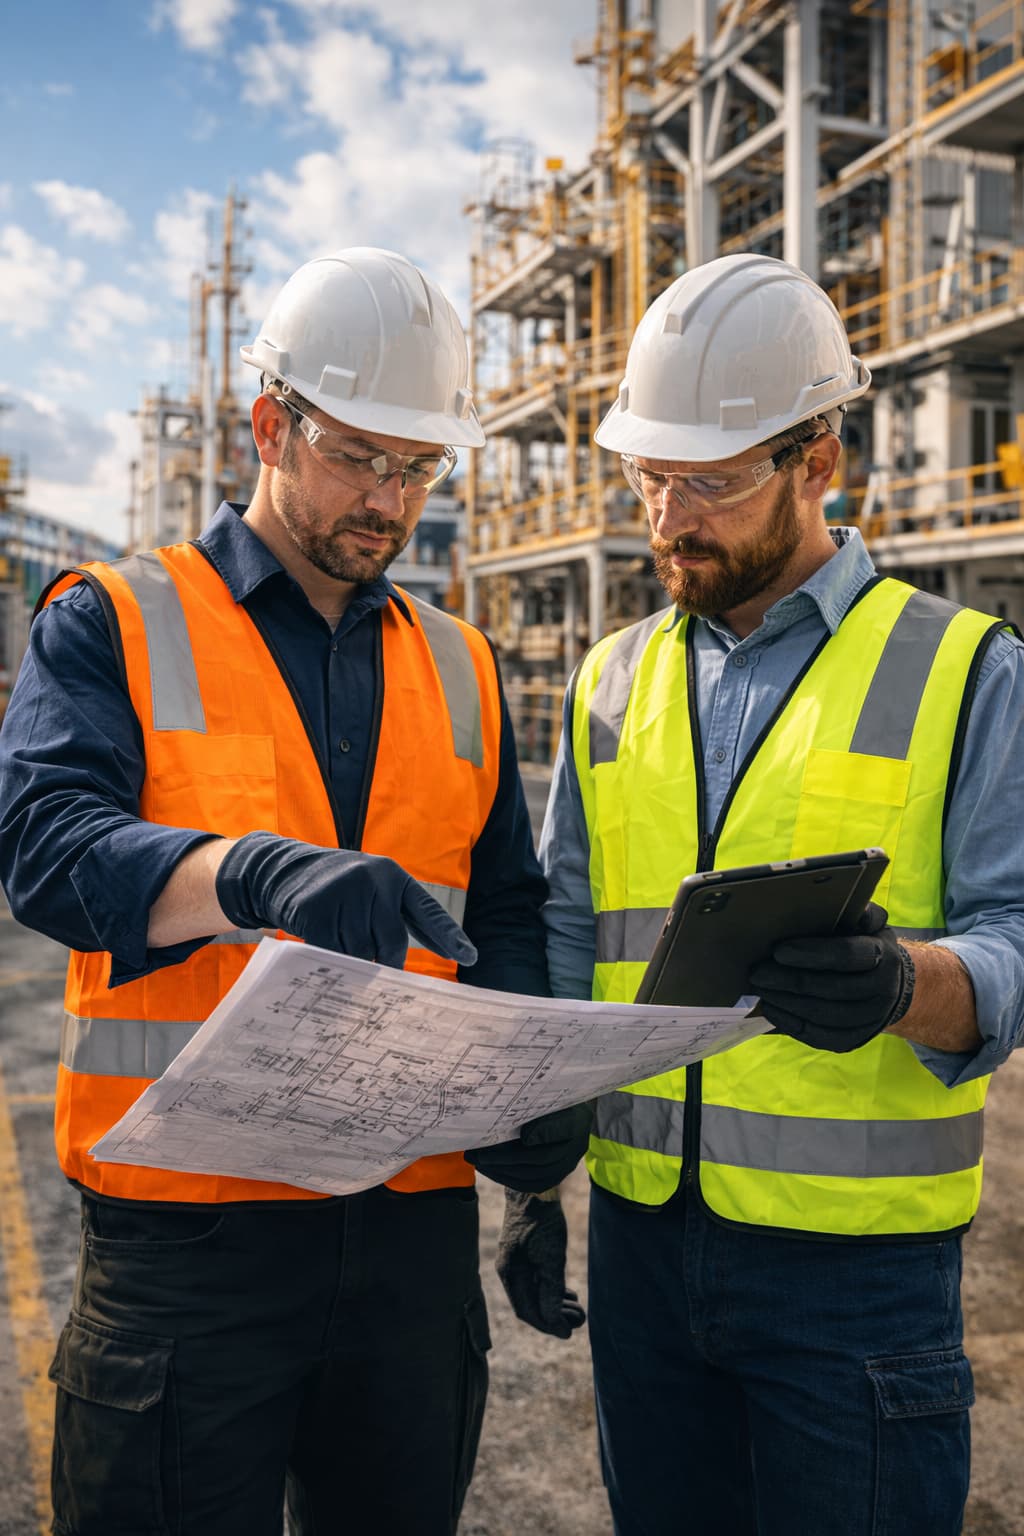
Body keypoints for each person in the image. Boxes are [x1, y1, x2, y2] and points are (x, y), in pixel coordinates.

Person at [0, 246, 590, 1536]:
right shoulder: (113, 618)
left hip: (408, 1231)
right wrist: (241, 875)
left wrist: (536, 1137)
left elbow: (498, 914)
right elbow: (42, 846)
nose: (391, 499)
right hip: (190, 1236)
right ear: (270, 426)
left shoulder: (463, 662)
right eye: (360, 457)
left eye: (419, 466)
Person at [498, 253, 1024, 1535]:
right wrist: (535, 1177)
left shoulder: (963, 667)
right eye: (648, 475)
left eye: (712, 482)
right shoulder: (609, 680)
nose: (669, 516)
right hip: (639, 1247)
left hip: (855, 1278)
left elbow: (1014, 936)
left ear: (818, 461)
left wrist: (915, 985)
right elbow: (575, 928)